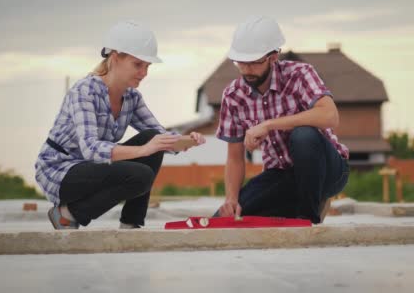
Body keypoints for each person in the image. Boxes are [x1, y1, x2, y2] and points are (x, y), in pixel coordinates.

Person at [35, 20, 205, 230]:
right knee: (140, 174)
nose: (144, 73)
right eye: (138, 64)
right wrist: (144, 149)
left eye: (147, 66)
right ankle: (66, 215)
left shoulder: (132, 97)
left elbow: (158, 136)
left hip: (93, 169)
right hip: (59, 170)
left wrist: (184, 141)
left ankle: (131, 224)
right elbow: (90, 149)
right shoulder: (85, 91)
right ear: (115, 58)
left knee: (152, 137)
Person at [214, 16, 349, 224]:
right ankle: (294, 206)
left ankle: (308, 218)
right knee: (231, 217)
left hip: (326, 171)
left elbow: (330, 116)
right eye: (241, 62)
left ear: (273, 56)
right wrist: (231, 199)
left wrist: (269, 125)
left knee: (303, 135)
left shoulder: (299, 74)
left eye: (255, 62)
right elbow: (234, 157)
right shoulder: (233, 96)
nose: (247, 69)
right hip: (281, 176)